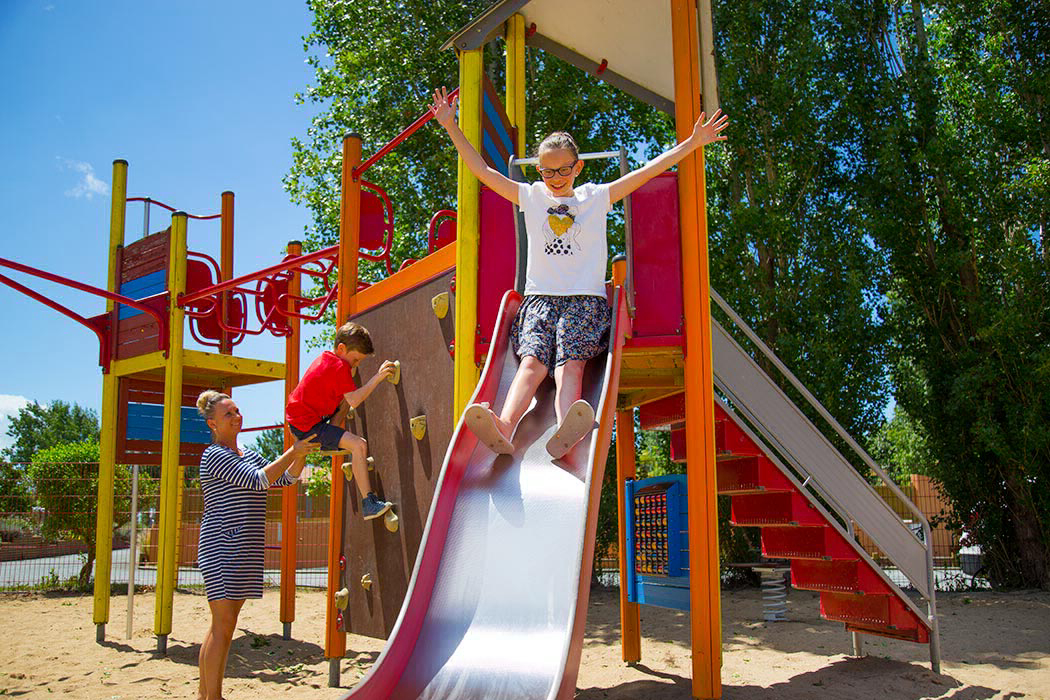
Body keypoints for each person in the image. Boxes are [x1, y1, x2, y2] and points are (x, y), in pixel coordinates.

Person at [429, 86, 728, 458]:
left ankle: (566, 429)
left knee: (570, 366)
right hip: (539, 301)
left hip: (584, 302)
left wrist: (692, 143)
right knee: (533, 363)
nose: (556, 177)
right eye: (548, 170)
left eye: (564, 169)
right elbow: (483, 171)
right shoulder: (532, 196)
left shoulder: (595, 197)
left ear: (578, 167)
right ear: (539, 171)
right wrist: (450, 126)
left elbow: (648, 171)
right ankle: (504, 426)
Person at [195, 389, 319, 700]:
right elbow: (258, 481)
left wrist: (302, 450)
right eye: (228, 414)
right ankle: (214, 698)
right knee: (223, 627)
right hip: (221, 549)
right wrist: (293, 450)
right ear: (213, 423)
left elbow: (284, 480)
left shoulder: (247, 454)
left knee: (223, 627)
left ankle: (204, 696)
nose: (237, 417)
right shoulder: (214, 456)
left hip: (245, 548)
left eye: (237, 411)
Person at [285, 320, 397, 519]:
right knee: (359, 445)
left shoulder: (328, 359)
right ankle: (368, 503)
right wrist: (378, 378)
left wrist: (351, 368)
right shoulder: (338, 368)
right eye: (355, 360)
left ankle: (331, 440)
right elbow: (355, 399)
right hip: (307, 427)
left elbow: (347, 394)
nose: (356, 365)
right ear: (341, 348)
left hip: (302, 419)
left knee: (345, 397)